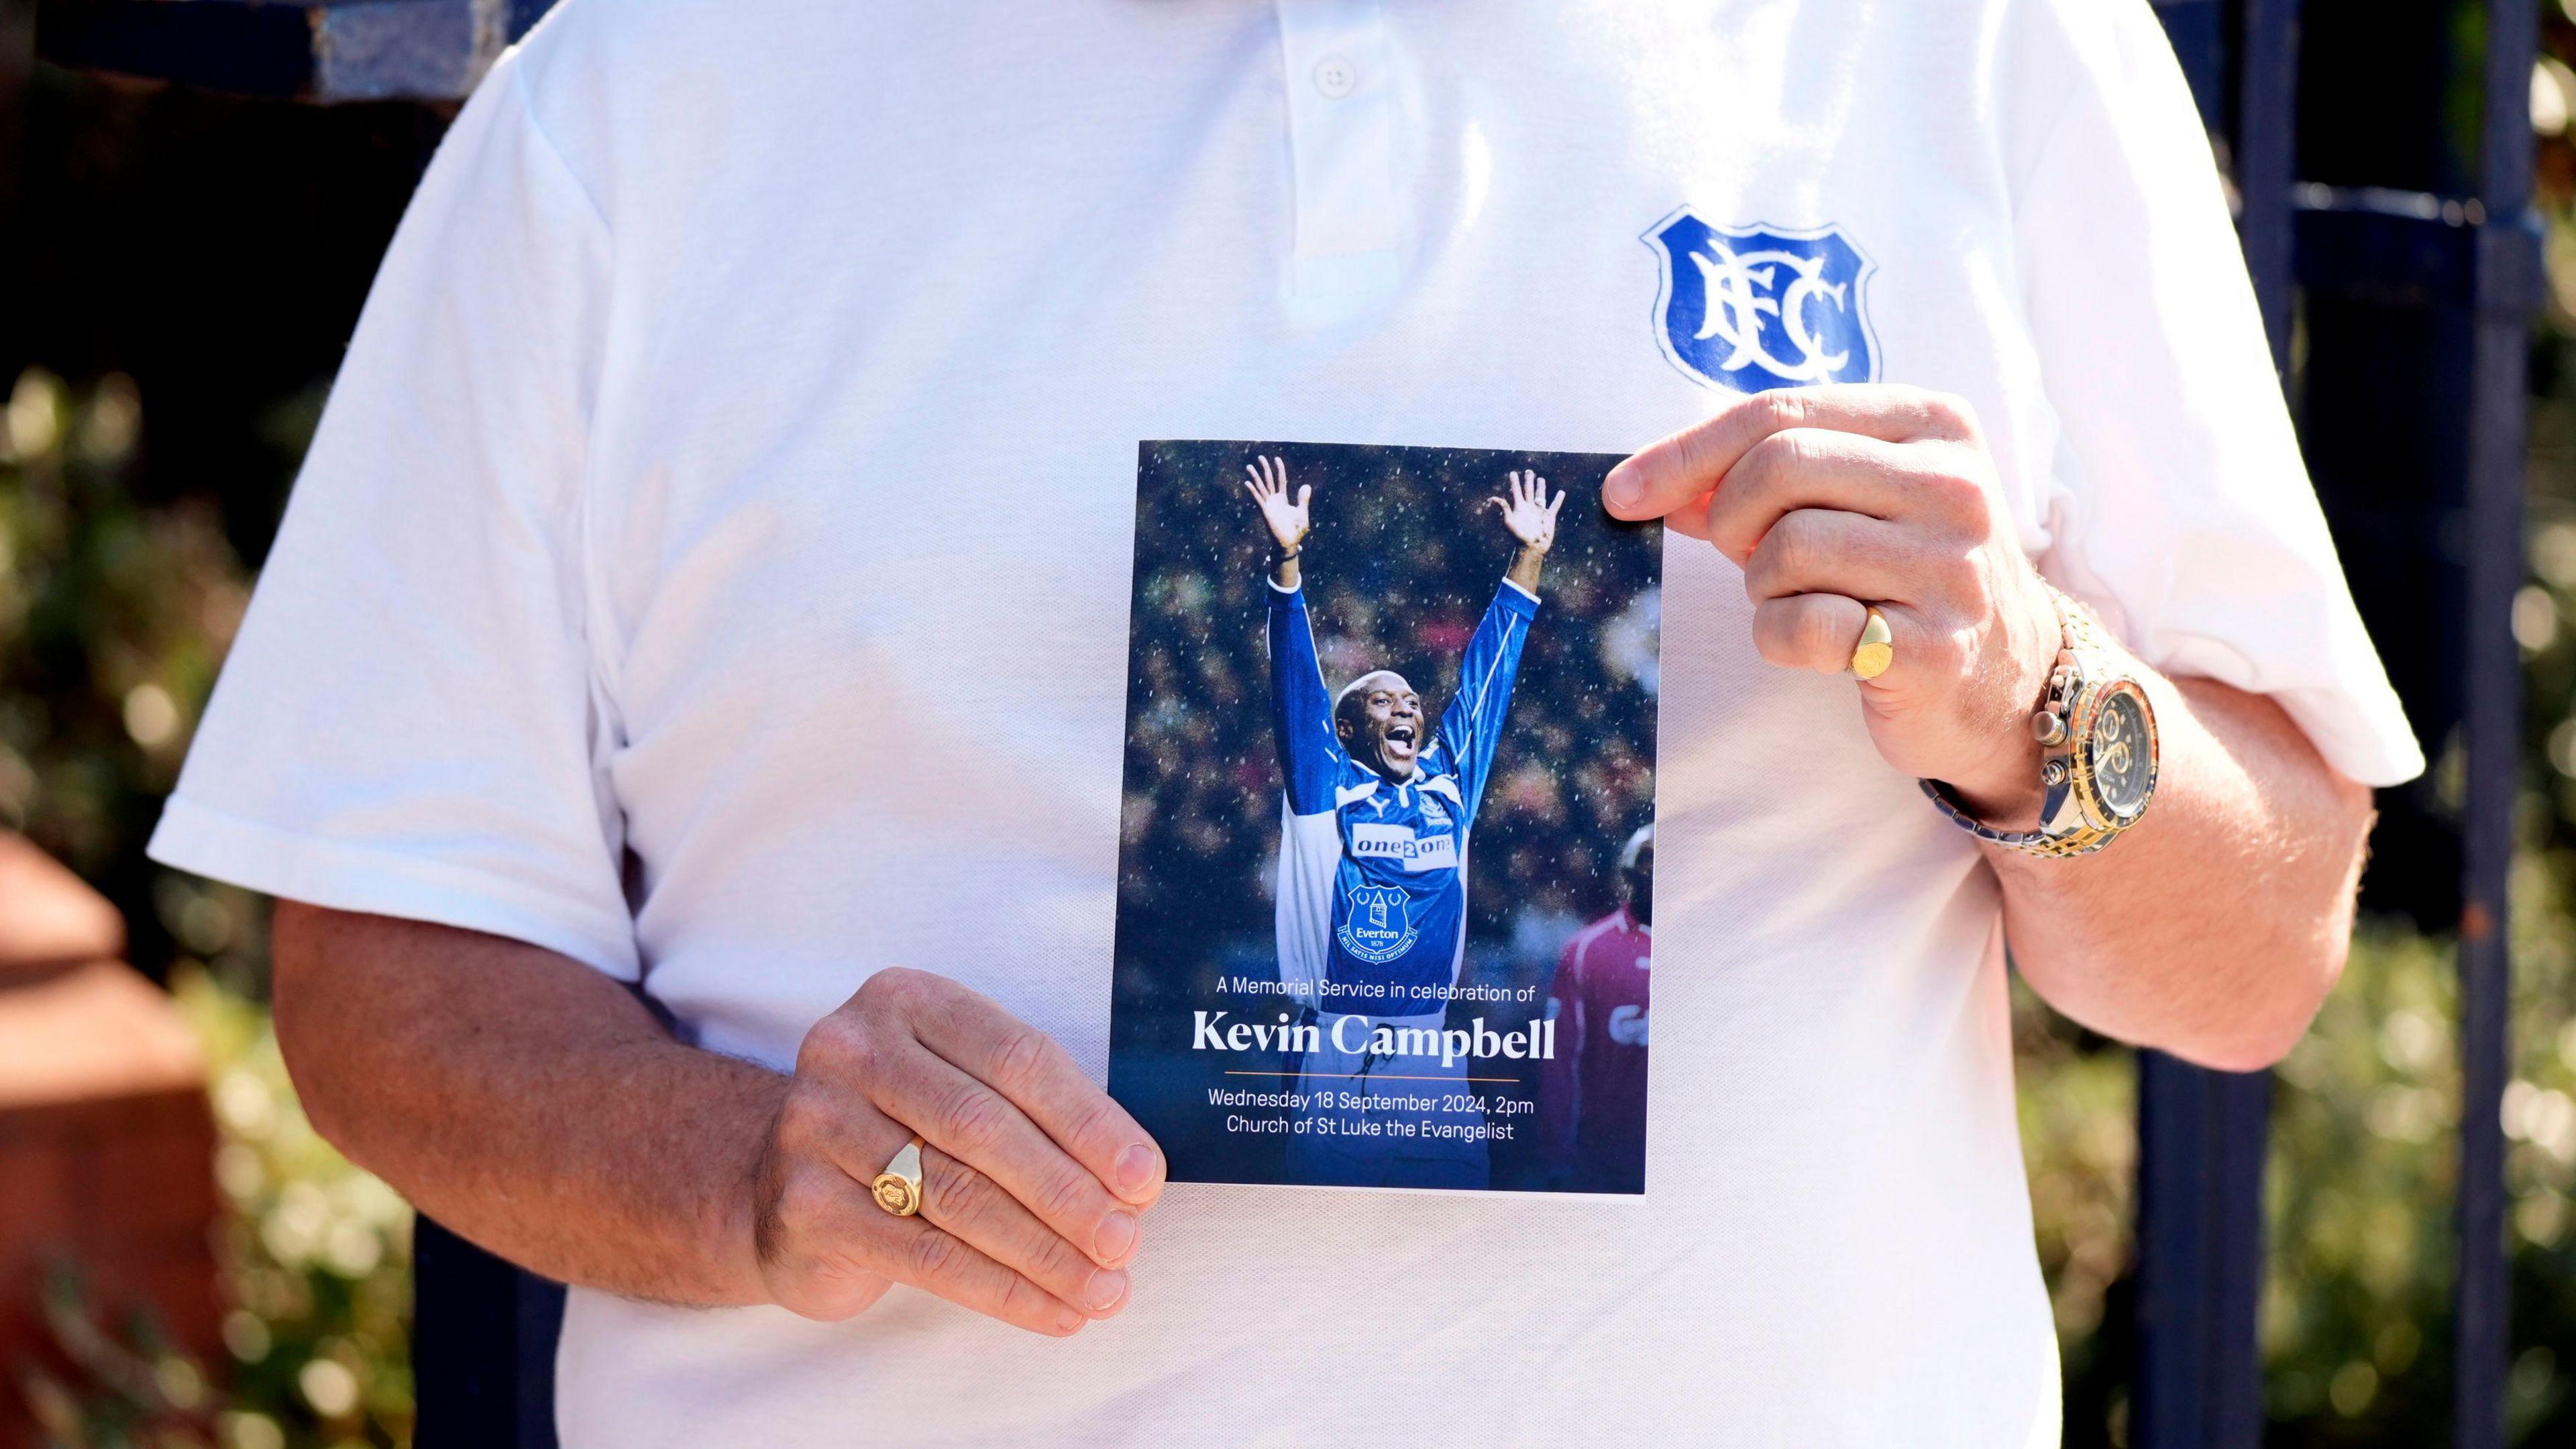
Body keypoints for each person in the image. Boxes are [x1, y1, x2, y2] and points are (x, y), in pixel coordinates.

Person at [144, 1, 2420, 1442]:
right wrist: (743, 1178)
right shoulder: (642, 109)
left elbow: (2266, 944)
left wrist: (2038, 700)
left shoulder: (1977, 46)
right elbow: (384, 971)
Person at [1245, 455, 1560, 1187]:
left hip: (1431, 1060)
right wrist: (1286, 565)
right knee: (1326, 1249)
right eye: (1383, 703)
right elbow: (1296, 687)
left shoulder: (1449, 788)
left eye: (1414, 703)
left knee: (1457, 1234)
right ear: (1347, 732)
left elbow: (1488, 681)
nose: (1408, 711)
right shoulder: (1324, 792)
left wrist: (1527, 557)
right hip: (1336, 1055)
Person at [1538, 824, 1654, 1193]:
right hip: (1605, 1159)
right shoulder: (1587, 950)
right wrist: (1558, 1154)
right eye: (1649, 862)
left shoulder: (1716, 949)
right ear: (1628, 874)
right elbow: (1560, 1061)